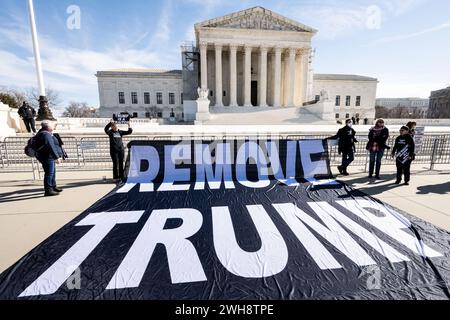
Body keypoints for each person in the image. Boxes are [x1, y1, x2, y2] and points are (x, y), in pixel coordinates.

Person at [34, 121, 64, 196]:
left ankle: (53, 186)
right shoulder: (45, 134)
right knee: (49, 173)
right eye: (53, 125)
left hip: (47, 156)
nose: (54, 127)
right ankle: (48, 190)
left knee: (52, 172)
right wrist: (56, 157)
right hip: (47, 156)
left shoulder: (44, 133)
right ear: (48, 127)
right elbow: (50, 146)